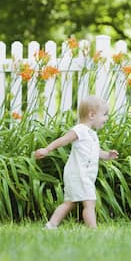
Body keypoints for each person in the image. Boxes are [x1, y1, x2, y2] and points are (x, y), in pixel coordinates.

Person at [34, 96, 118, 229]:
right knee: (89, 203)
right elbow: (63, 140)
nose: (106, 118)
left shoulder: (92, 135)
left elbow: (97, 153)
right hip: (79, 174)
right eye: (104, 114)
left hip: (82, 175)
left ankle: (51, 225)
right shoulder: (80, 130)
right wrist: (47, 149)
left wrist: (108, 155)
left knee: (69, 202)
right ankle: (93, 230)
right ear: (91, 115)